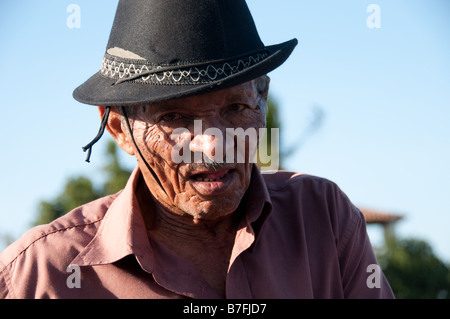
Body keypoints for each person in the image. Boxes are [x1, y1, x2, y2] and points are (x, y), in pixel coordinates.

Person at [0, 0, 394, 299]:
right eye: (174, 117)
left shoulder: (324, 220)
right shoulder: (40, 274)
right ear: (119, 129)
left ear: (263, 102)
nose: (212, 144)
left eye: (235, 108)